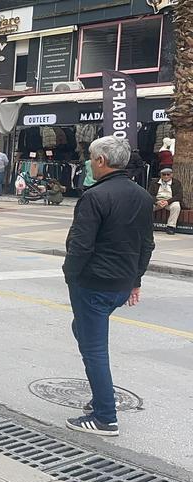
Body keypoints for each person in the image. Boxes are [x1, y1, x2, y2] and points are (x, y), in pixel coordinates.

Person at [63, 136, 154, 437]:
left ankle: (105, 416)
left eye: (91, 157)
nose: (89, 162)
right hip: (120, 282)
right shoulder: (142, 196)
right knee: (84, 331)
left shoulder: (95, 196)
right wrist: (135, 280)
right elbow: (146, 244)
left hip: (93, 283)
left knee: (94, 349)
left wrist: (70, 274)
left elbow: (80, 245)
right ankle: (102, 396)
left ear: (101, 161)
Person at [150, 168, 184, 235]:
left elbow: (179, 196)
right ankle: (147, 225)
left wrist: (168, 202)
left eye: (168, 174)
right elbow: (149, 194)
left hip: (170, 201)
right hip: (158, 202)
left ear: (171, 175)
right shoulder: (154, 182)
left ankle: (171, 227)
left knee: (176, 206)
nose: (166, 176)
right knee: (146, 205)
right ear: (161, 175)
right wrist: (157, 201)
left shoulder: (176, 183)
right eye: (164, 174)